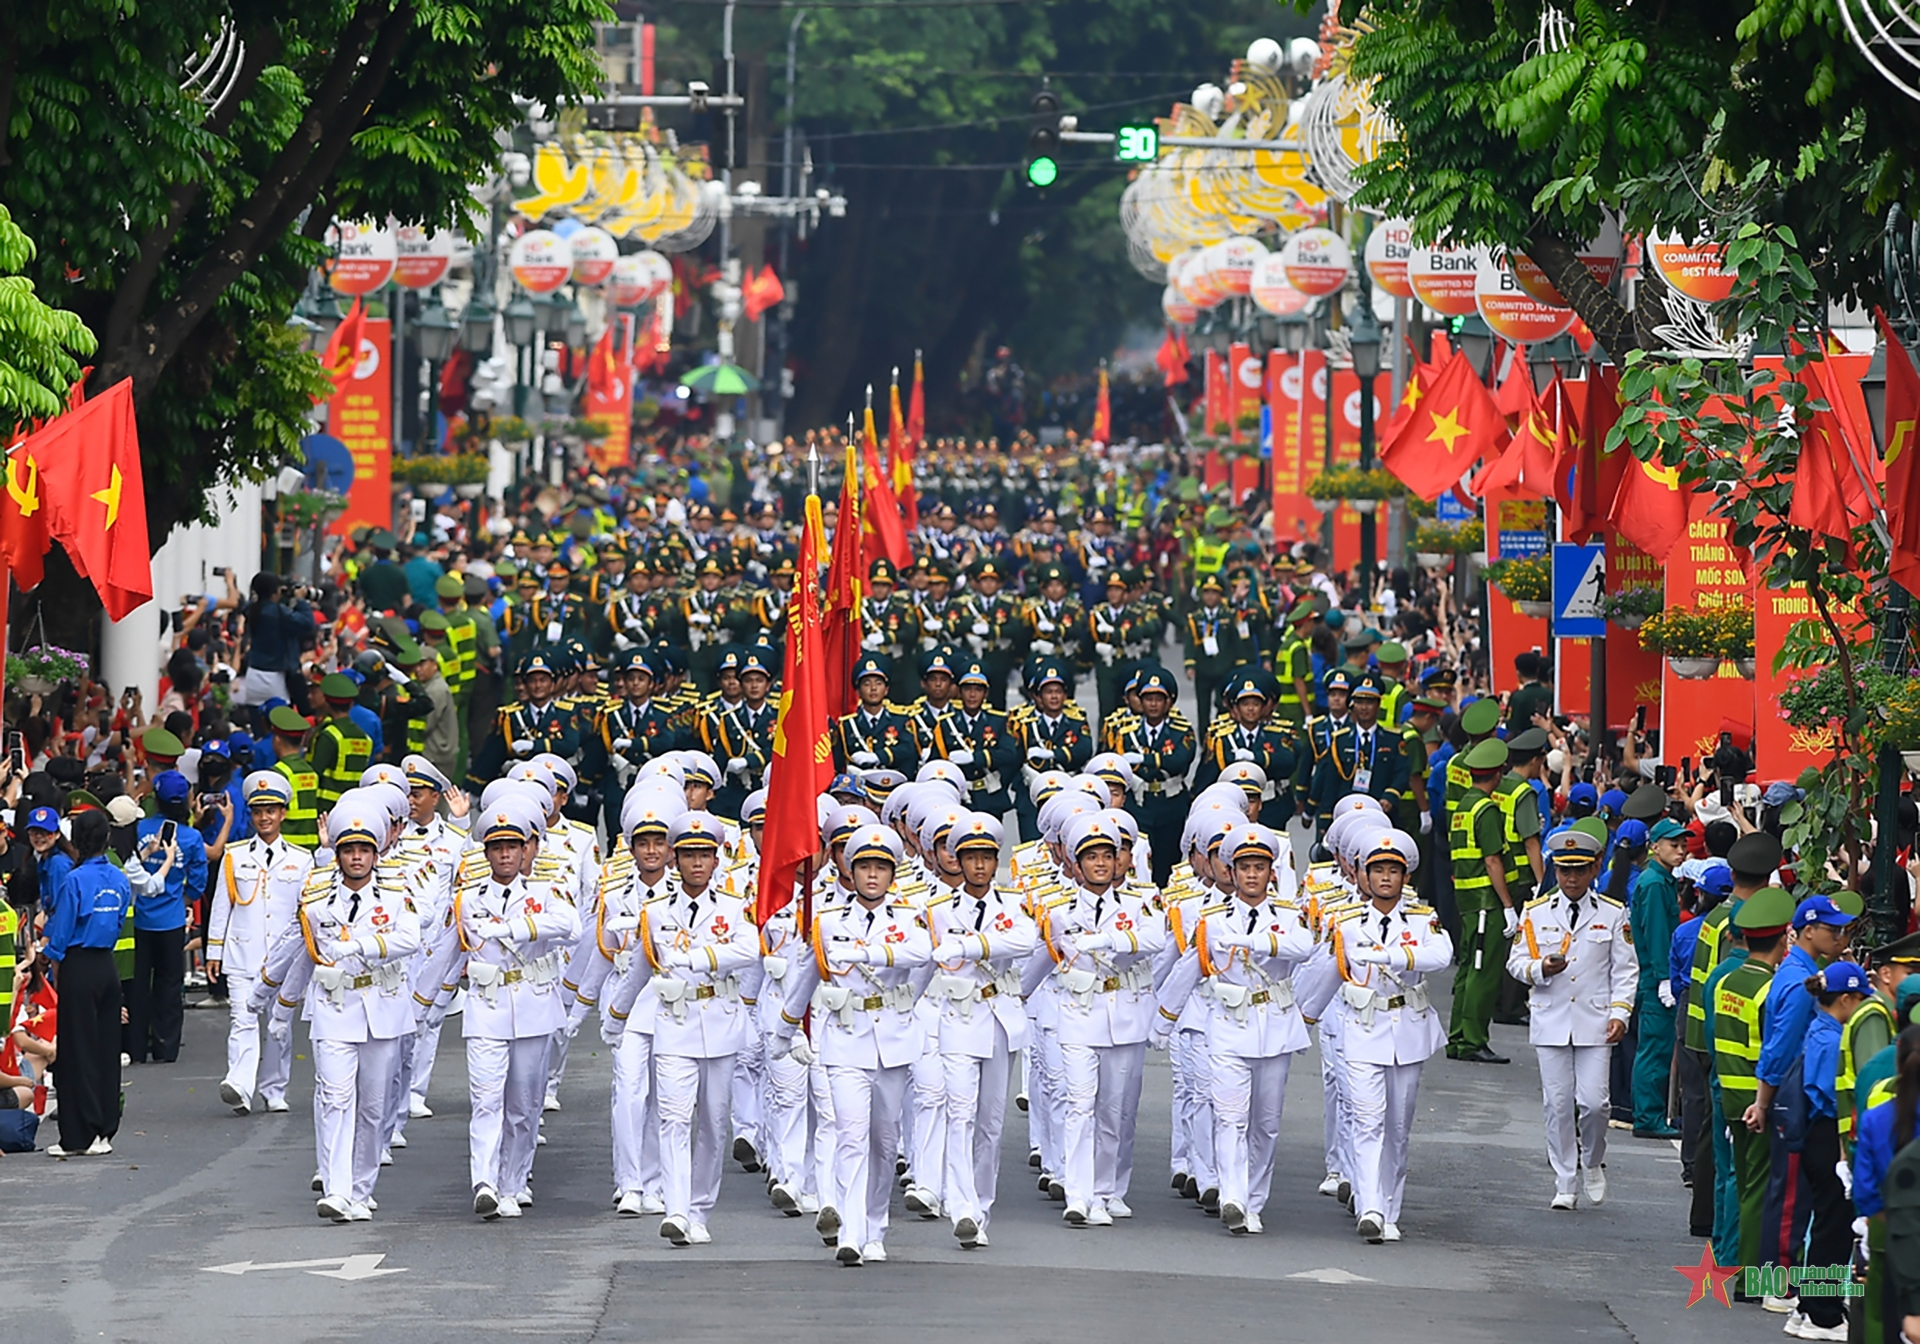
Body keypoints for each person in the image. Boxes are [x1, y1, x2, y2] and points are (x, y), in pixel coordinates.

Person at [770, 824, 933, 1267]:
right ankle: (852, 1230)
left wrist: (870, 956)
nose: (873, 876)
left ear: (892, 874)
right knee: (851, 1134)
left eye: (881, 868)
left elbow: (923, 955)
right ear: (850, 870)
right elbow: (806, 975)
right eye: (864, 867)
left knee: (885, 1139)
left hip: (893, 1040)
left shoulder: (909, 917)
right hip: (844, 1038)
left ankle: (876, 1223)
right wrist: (785, 1029)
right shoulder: (827, 921)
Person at [253, 797, 421, 1222]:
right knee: (334, 1097)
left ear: (376, 852)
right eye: (349, 850)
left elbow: (409, 938)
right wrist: (281, 1008)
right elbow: (304, 954)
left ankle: (362, 1190)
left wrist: (361, 944)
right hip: (333, 1005)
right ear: (338, 853)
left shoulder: (399, 890)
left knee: (373, 1105)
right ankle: (337, 1189)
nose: (357, 858)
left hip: (382, 1006)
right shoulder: (315, 896)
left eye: (364, 850)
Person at [1319, 827, 1452, 1242]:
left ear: (1405, 876)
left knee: (1397, 1126)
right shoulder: (1345, 921)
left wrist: (1392, 954)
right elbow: (1324, 973)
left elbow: (1441, 955)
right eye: (1377, 870)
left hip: (1407, 1030)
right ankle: (1371, 1205)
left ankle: (1389, 1207)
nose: (1385, 878)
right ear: (1363, 875)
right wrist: (1301, 1017)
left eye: (1393, 871)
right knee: (1366, 1120)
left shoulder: (1422, 919)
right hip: (1361, 1028)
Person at [452, 793, 578, 1220]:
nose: (505, 854)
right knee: (486, 1100)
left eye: (512, 846)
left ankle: (513, 1181)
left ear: (526, 849)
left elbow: (571, 927)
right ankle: (484, 1182)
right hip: (486, 1008)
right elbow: (447, 950)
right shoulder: (468, 898)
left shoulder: (546, 889)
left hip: (534, 1006)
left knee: (524, 1106)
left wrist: (514, 927)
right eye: (496, 847)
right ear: (486, 852)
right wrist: (422, 1001)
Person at [1041, 810, 1164, 1228]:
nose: (1099, 863)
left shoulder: (1140, 901)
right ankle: (1078, 1194)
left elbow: (1154, 939)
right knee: (1079, 1103)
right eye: (1090, 856)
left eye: (1106, 856)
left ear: (1117, 862)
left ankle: (1105, 1189)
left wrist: (1110, 938)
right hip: (1077, 1013)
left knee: (1113, 1111)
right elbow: (1041, 957)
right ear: (1075, 863)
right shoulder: (1057, 908)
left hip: (1124, 1013)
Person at [1507, 822, 1637, 1211]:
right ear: (1555, 871)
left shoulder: (1613, 913)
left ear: (1595, 869)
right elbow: (1515, 962)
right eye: (1565, 870)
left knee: (1595, 1103)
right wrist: (1539, 969)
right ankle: (1565, 1179)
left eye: (1580, 869)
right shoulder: (1536, 911)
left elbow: (1626, 969)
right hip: (1551, 1017)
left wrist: (1621, 1013)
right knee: (1558, 1104)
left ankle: (1593, 1160)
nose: (1572, 878)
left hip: (1595, 1020)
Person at [640, 810, 755, 1247]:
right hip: (674, 1021)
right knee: (672, 1117)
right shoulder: (655, 911)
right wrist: (616, 1016)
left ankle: (700, 1208)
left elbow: (749, 948)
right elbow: (642, 964)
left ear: (716, 859)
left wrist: (704, 957)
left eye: (704, 855)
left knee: (712, 1122)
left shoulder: (731, 907)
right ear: (674, 859)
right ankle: (675, 1209)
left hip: (720, 1019)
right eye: (688, 855)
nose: (696, 864)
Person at [925, 811, 1038, 1248]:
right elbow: (924, 966)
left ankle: (981, 1205)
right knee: (960, 1113)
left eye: (985, 858)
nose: (977, 866)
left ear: (995, 862)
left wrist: (969, 945)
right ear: (957, 859)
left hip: (999, 1019)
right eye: (970, 857)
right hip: (955, 1018)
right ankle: (963, 1206)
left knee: (991, 1122)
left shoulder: (1012, 905)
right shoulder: (936, 910)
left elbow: (1024, 941)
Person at [203, 771, 314, 1114]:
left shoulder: (301, 858)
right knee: (243, 1019)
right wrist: (214, 950)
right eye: (258, 811)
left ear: (283, 813)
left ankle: (274, 1087)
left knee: (278, 1027)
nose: (264, 817)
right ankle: (239, 1085)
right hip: (242, 950)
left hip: (283, 958)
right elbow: (222, 904)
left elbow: (305, 912)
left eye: (271, 810)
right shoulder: (235, 855)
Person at [40, 810, 133, 1157]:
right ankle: (105, 1131)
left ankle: (77, 1136)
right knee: (107, 1049)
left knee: (77, 1052)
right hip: (106, 965)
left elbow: (61, 933)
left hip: (78, 964)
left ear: (77, 840)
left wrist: (47, 956)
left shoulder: (75, 880)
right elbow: (120, 916)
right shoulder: (120, 878)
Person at [1791, 960, 1871, 1342]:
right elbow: (1829, 1096)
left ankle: (1811, 1305)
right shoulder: (1831, 1039)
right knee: (1832, 1228)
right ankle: (1821, 1316)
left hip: (1820, 1134)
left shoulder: (1822, 1029)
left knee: (1826, 1225)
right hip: (1827, 1134)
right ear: (1845, 999)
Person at [130, 771, 209, 1064]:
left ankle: (136, 1047)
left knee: (138, 984)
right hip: (172, 920)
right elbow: (198, 880)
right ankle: (166, 1047)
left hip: (138, 918)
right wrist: (181, 899)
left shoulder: (139, 829)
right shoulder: (191, 837)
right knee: (169, 984)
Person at [1446, 738, 1516, 1064]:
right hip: (1486, 902)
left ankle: (1459, 1037)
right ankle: (1473, 1040)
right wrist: (1507, 905)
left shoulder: (1462, 806)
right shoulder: (1486, 809)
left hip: (1467, 899)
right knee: (1483, 971)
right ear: (1498, 773)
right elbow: (1492, 861)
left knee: (1467, 969)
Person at [1628, 817, 1686, 1138]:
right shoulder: (1653, 883)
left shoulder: (1660, 879)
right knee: (1654, 1048)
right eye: (1674, 845)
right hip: (1654, 979)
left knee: (1655, 1046)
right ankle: (1648, 1117)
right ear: (1654, 847)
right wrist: (1664, 978)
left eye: (1683, 846)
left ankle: (1648, 1114)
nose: (1681, 851)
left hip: (1656, 976)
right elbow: (1657, 936)